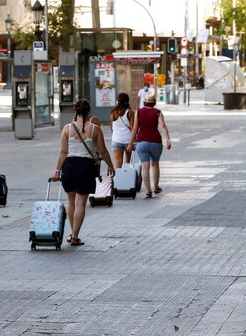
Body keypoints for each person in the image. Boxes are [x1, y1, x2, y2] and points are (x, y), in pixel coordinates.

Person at [51, 99, 114, 246]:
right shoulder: (95, 129)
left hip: (69, 167)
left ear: (75, 110)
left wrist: (56, 172)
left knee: (71, 202)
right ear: (89, 111)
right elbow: (103, 152)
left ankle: (73, 235)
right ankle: (75, 236)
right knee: (81, 204)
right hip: (86, 168)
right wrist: (111, 166)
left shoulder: (67, 128)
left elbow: (63, 152)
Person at [126, 94, 172, 198]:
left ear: (145, 102)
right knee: (155, 164)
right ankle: (156, 187)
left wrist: (130, 143)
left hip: (142, 142)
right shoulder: (158, 112)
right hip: (156, 141)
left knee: (145, 167)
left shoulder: (139, 112)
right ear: (154, 102)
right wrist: (168, 139)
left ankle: (148, 190)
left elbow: (134, 128)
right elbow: (163, 126)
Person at [109, 92, 134, 169]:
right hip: (128, 141)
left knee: (118, 163)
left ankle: (117, 180)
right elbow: (133, 128)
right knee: (128, 163)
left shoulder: (113, 112)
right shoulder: (130, 112)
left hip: (116, 140)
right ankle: (127, 180)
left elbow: (112, 128)